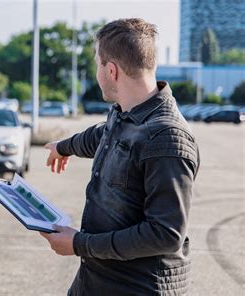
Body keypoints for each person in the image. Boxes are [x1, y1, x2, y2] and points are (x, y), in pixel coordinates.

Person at [41, 18, 200, 295]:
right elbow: (103, 135)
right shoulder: (125, 113)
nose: (96, 72)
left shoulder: (167, 139)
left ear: (111, 70)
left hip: (136, 287)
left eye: (97, 64)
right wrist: (64, 146)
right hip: (97, 278)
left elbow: (165, 234)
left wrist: (79, 244)